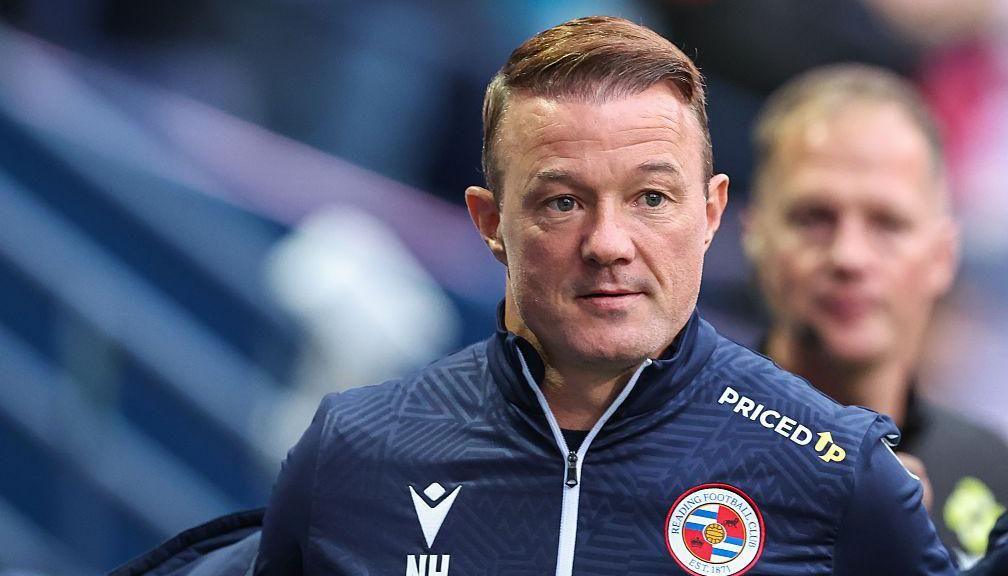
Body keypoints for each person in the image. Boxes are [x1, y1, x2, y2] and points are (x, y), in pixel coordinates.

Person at [254, 17, 954, 575]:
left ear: (710, 215)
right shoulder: (352, 452)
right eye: (562, 202)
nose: (608, 243)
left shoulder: (838, 470)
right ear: (490, 223)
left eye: (651, 197)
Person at [742, 63, 1008, 567]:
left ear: (943, 255)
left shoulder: (992, 468)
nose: (849, 256)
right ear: (753, 236)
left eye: (888, 222)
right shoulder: (673, 456)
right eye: (814, 218)